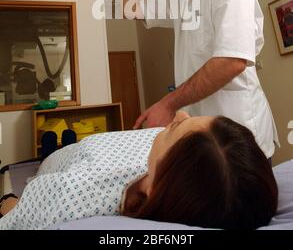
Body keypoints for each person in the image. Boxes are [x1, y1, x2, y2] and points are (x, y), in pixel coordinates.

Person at [134, 0, 278, 160]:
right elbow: (132, 9)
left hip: (240, 133)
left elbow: (231, 62)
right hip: (205, 136)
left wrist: (168, 104)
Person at [0, 112, 278, 230]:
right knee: (69, 143)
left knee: (50, 155)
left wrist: (8, 200)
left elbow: (18, 214)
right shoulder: (178, 164)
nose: (179, 114)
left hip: (56, 168)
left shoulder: (73, 196)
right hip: (85, 149)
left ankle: (49, 154)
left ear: (153, 189)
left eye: (176, 128)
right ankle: (64, 145)